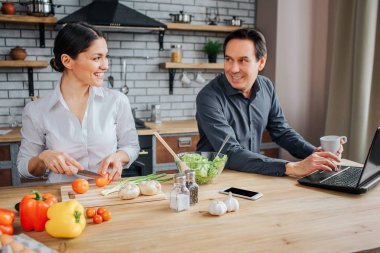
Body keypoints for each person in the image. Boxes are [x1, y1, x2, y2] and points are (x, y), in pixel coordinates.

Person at [196, 28, 344, 177]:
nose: (233, 69)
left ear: (261, 62)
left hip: (253, 175)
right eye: (229, 59)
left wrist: (315, 153)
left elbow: (281, 131)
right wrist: (291, 167)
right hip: (215, 181)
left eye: (243, 60)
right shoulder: (208, 98)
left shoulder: (266, 87)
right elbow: (230, 152)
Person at [17, 22, 140, 183]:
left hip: (107, 196)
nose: (105, 66)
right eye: (97, 58)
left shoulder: (117, 101)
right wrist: (43, 158)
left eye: (106, 56)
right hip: (63, 201)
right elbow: (23, 168)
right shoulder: (36, 110)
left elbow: (131, 146)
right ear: (67, 61)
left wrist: (119, 157)